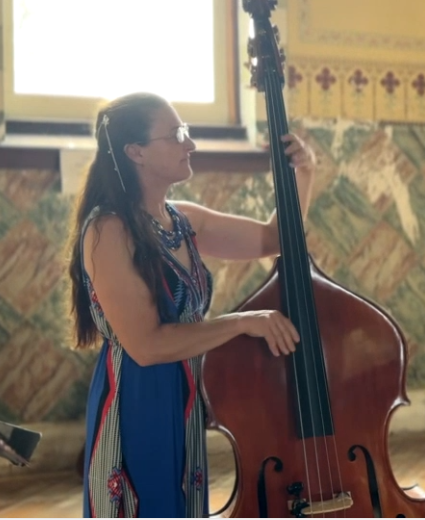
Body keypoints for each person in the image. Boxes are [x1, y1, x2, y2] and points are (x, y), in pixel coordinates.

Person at [65, 92, 315, 518]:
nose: (190, 144)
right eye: (177, 134)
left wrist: (304, 174)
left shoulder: (183, 220)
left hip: (184, 391)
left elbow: (274, 240)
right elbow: (146, 346)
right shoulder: (108, 231)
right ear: (135, 152)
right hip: (137, 398)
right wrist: (241, 323)